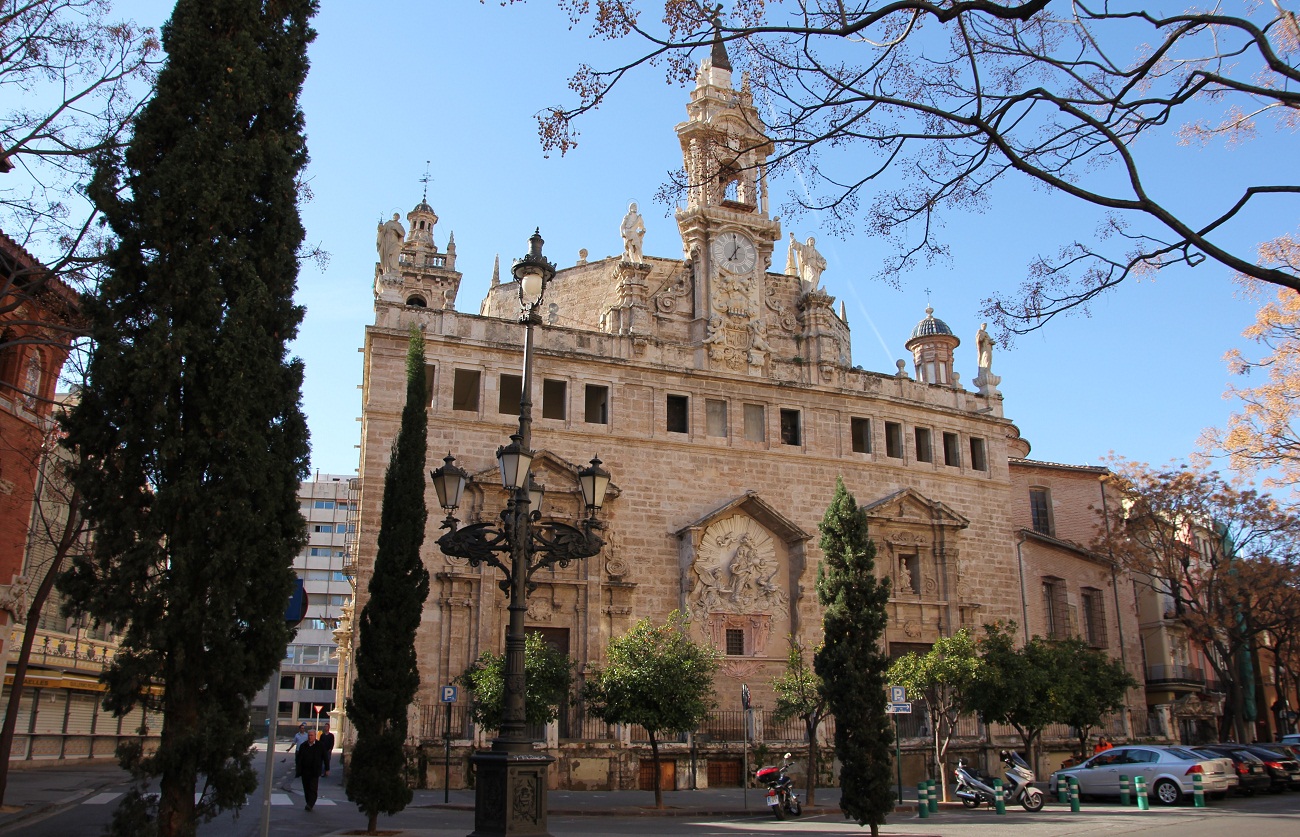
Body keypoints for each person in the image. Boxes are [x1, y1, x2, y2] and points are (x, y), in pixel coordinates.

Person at [295, 729, 325, 810]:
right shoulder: (303, 745)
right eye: (309, 735)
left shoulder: (320, 745)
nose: (310, 737)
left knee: (313, 788)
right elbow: (299, 758)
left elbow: (325, 757)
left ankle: (310, 804)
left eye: (311, 735)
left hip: (315, 771)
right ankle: (308, 802)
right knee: (306, 788)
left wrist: (327, 769)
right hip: (305, 771)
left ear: (315, 736)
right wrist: (298, 769)